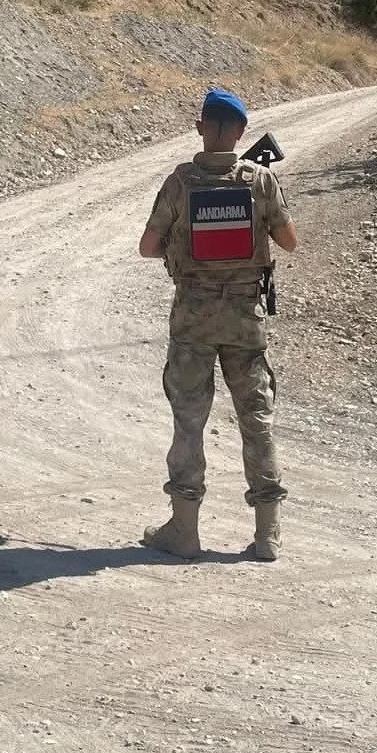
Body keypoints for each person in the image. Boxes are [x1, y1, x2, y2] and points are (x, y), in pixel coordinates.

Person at [138, 89, 297, 562]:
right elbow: (289, 242)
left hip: (192, 321)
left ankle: (184, 530)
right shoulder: (260, 180)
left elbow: (148, 247)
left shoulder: (180, 182)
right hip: (245, 320)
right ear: (242, 132)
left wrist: (181, 246)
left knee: (189, 421)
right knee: (257, 420)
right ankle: (267, 534)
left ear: (200, 128)